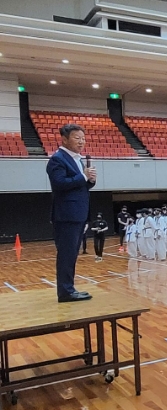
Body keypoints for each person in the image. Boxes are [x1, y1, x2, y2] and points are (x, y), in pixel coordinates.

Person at [45, 124, 96, 303]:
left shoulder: (76, 159)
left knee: (72, 254)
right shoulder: (57, 159)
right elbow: (59, 183)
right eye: (77, 138)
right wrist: (82, 177)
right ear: (65, 139)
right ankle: (65, 291)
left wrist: (89, 181)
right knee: (66, 254)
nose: (81, 141)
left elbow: (79, 185)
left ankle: (69, 288)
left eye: (83, 138)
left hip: (78, 213)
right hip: (66, 214)